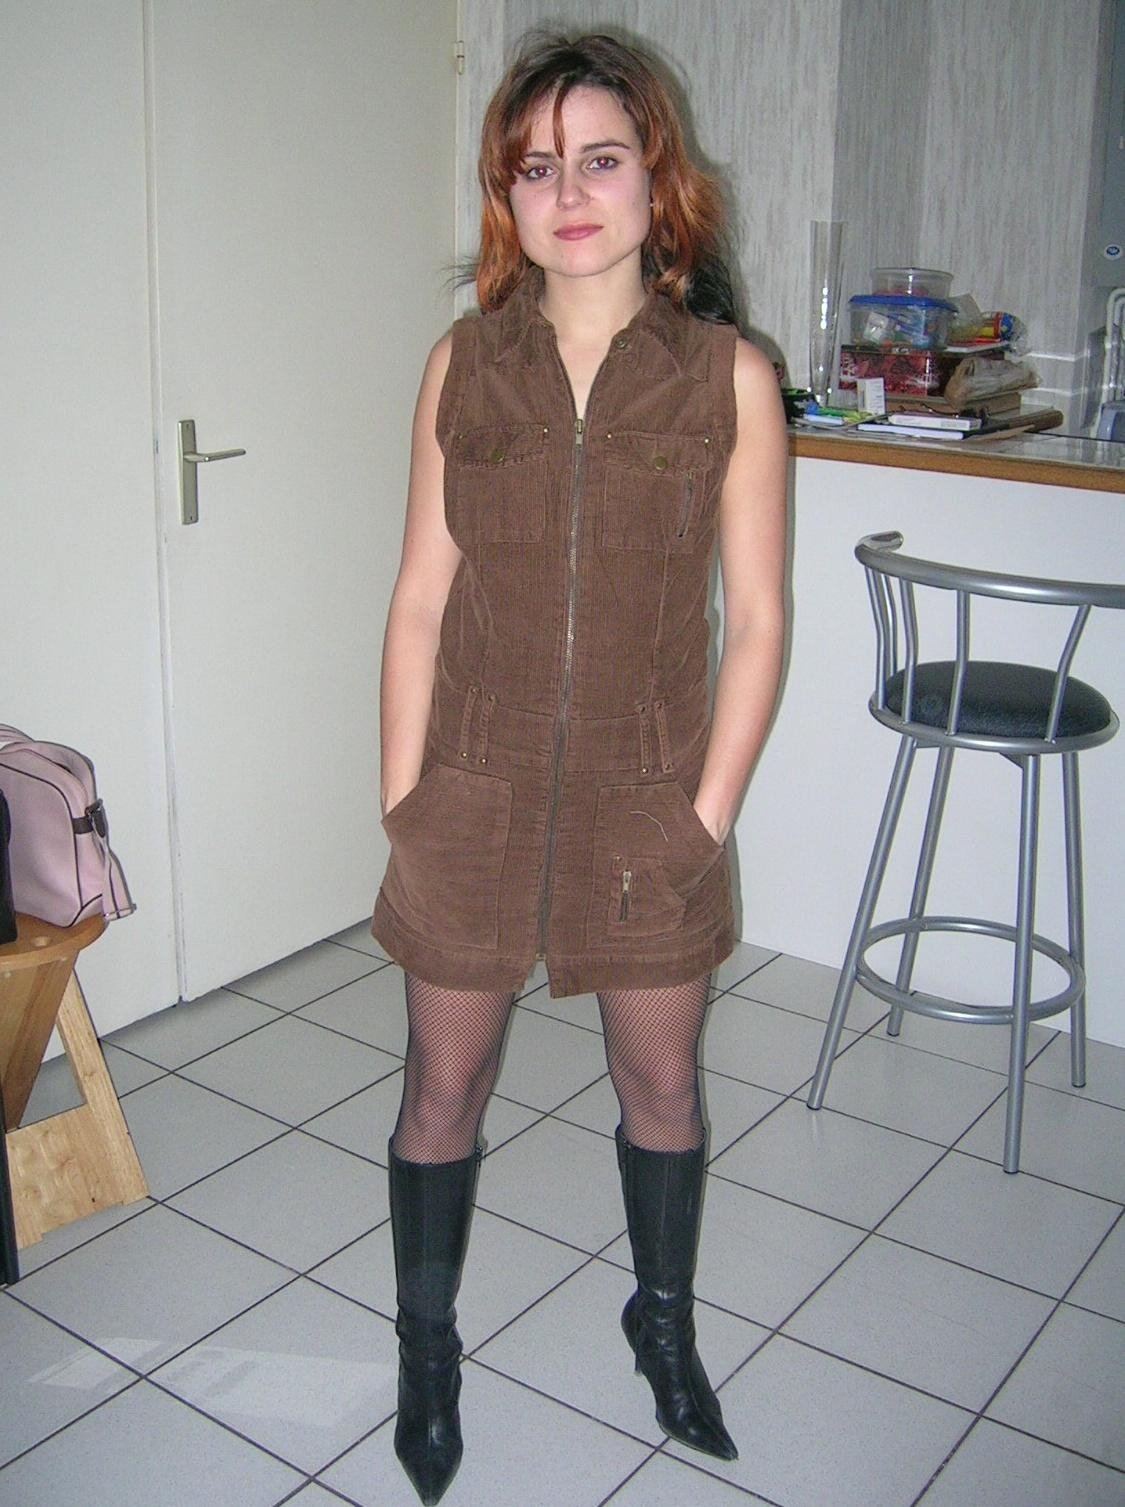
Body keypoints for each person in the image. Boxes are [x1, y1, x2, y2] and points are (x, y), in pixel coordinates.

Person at [372, 31, 787, 1505]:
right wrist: (403, 800)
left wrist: (703, 819)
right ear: (506, 193)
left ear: (657, 180)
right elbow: (418, 600)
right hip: (471, 793)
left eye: (600, 160)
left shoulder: (729, 377)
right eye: (535, 167)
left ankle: (661, 1330)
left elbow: (759, 622)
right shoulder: (463, 364)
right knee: (444, 1088)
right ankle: (427, 1359)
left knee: (660, 1084)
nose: (568, 194)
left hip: (647, 798)